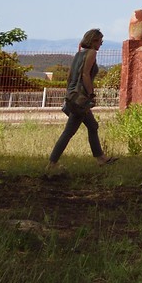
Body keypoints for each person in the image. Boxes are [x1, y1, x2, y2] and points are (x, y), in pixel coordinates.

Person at [44, 28, 116, 175]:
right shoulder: (91, 53)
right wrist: (90, 94)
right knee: (69, 132)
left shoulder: (78, 54)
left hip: (73, 96)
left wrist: (70, 94)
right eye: (100, 40)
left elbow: (70, 76)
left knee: (93, 126)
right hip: (81, 98)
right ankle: (52, 164)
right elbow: (85, 75)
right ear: (93, 40)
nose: (101, 43)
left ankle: (101, 158)